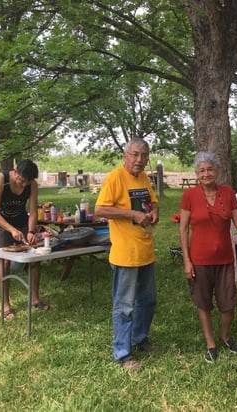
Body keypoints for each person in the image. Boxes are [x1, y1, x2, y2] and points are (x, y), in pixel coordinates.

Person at [95, 138, 160, 372]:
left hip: (145, 251)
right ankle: (122, 353)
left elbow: (153, 202)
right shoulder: (115, 177)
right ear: (125, 155)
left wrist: (153, 212)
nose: (139, 160)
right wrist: (132, 214)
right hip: (125, 255)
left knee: (148, 301)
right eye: (135, 154)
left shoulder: (143, 178)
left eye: (144, 155)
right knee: (124, 306)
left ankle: (139, 339)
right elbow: (100, 209)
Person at [179, 151, 237, 363]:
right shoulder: (189, 195)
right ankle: (211, 343)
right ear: (196, 173)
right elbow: (183, 230)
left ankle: (225, 336)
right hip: (199, 260)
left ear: (217, 171)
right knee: (203, 303)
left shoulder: (228, 193)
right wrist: (186, 260)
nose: (206, 173)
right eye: (201, 170)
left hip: (225, 259)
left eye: (210, 169)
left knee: (228, 304)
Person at [0, 159, 48, 320]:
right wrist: (11, 230)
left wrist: (30, 230)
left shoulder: (32, 185)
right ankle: (5, 305)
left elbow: (33, 211)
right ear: (15, 172)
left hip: (21, 222)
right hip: (0, 224)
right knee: (4, 262)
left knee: (35, 258)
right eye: (21, 180)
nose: (23, 185)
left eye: (26, 182)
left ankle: (35, 299)